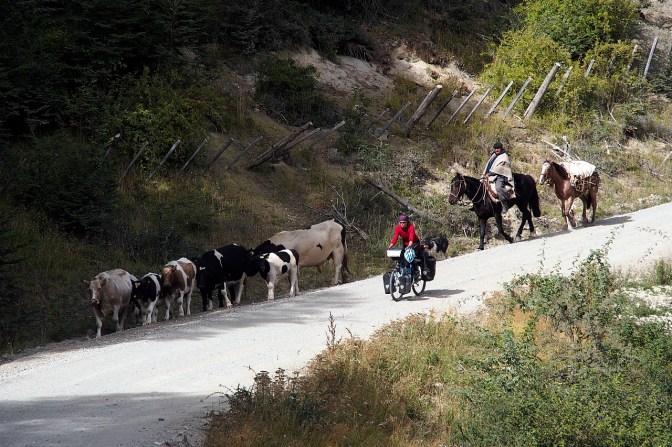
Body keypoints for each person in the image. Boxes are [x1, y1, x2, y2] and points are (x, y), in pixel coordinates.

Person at [483, 141, 514, 213]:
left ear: (501, 148)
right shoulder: (494, 155)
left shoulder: (504, 157)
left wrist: (490, 174)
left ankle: (505, 204)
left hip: (501, 175)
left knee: (498, 187)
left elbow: (500, 169)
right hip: (490, 174)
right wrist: (486, 173)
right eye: (495, 148)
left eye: (498, 148)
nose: (496, 150)